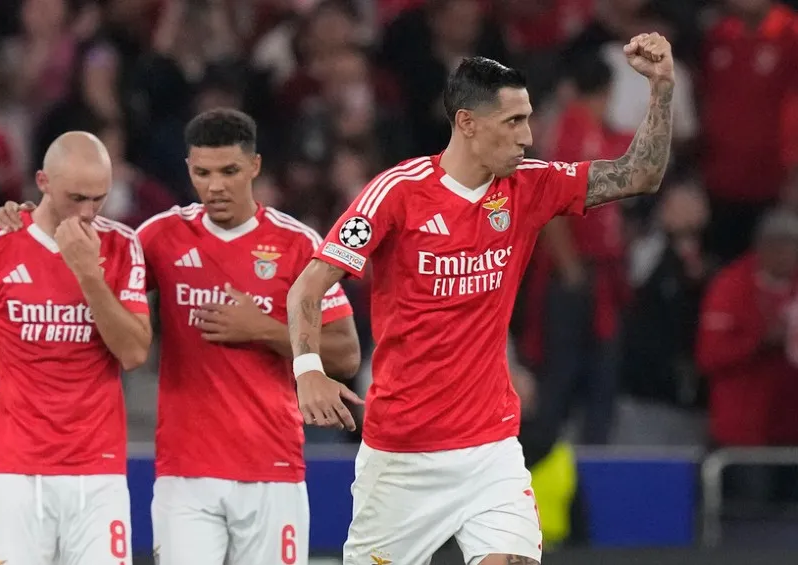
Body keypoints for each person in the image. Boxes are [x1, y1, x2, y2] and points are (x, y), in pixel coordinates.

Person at [287, 33, 675, 565]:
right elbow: (309, 285)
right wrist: (308, 369)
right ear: (467, 123)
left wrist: (662, 88)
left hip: (490, 452)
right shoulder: (397, 192)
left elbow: (641, 174)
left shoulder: (531, 185)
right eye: (513, 122)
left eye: (528, 119)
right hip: (402, 456)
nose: (527, 136)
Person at [0, 108, 362, 565]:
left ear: (255, 166)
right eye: (202, 173)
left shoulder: (296, 244)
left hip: (273, 466)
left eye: (229, 171)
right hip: (185, 474)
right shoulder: (160, 237)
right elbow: (85, 258)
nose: (215, 186)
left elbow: (346, 353)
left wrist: (261, 329)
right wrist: (34, 217)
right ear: (188, 169)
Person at [0, 131, 152, 565]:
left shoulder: (122, 245)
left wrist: (89, 275)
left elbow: (133, 353)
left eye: (99, 199)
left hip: (98, 470)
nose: (88, 212)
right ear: (43, 182)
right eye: (76, 198)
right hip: (15, 470)